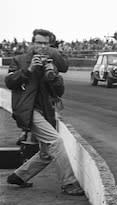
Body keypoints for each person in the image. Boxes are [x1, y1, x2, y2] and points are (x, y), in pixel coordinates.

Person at [4, 29, 84, 196]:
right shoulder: (19, 61)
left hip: (46, 111)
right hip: (27, 111)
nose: (41, 47)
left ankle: (19, 176)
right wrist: (30, 69)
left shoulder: (52, 62)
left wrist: (53, 76)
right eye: (38, 43)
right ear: (32, 43)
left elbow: (60, 90)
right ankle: (69, 184)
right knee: (56, 142)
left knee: (47, 153)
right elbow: (10, 82)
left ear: (50, 45)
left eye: (45, 44)